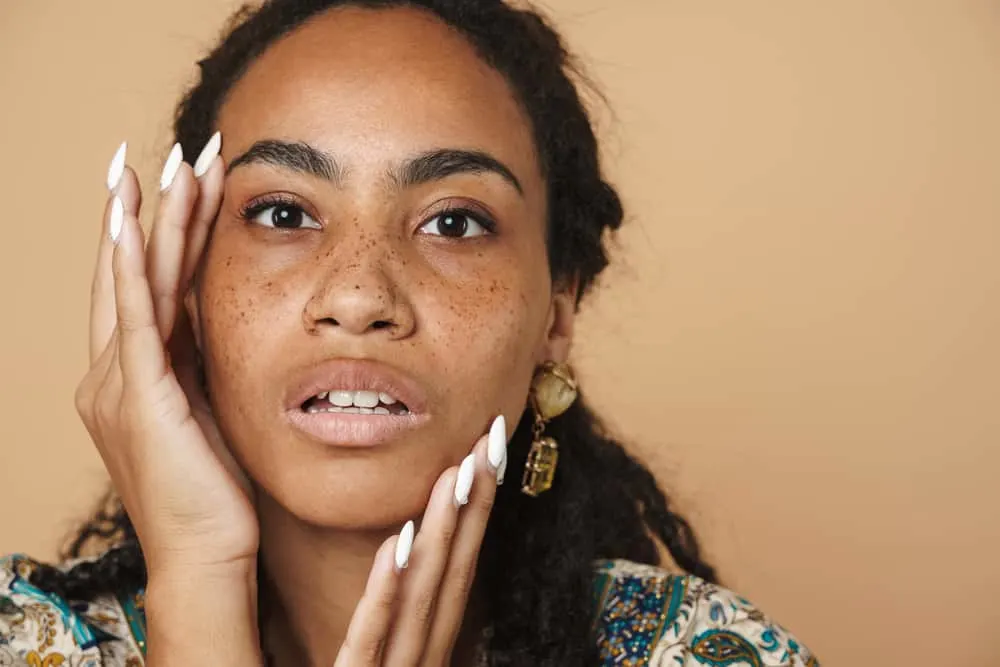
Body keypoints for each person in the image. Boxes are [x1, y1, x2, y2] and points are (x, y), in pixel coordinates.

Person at [0, 1, 820, 665]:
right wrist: (195, 586)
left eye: (454, 223)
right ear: (182, 284)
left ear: (557, 309)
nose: (359, 295)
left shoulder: (705, 652)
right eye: (283, 213)